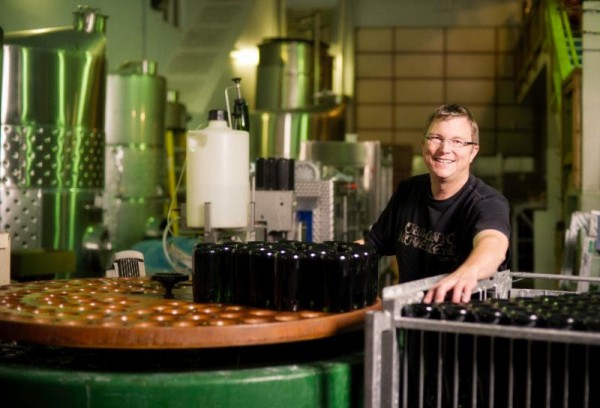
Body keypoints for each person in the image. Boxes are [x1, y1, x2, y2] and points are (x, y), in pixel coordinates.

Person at [361, 103, 510, 304]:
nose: (444, 149)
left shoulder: (487, 202)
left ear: (473, 152)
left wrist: (468, 271)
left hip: (464, 326)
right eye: (436, 138)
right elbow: (373, 245)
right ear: (423, 144)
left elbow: (493, 244)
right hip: (411, 320)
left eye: (457, 141)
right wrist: (327, 259)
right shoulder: (408, 191)